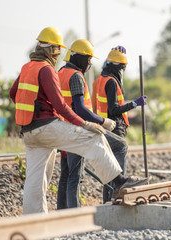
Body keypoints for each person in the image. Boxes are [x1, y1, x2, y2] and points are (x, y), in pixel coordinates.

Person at [9, 27, 148, 214]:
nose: (59, 54)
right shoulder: (47, 69)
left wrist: (31, 111)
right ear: (52, 50)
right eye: (58, 49)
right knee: (92, 137)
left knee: (36, 178)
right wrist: (85, 124)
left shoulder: (27, 68)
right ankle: (118, 181)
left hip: (28, 131)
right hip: (46, 127)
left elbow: (13, 93)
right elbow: (60, 107)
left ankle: (35, 221)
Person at [56, 39, 129, 208]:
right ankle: (118, 188)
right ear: (80, 57)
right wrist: (102, 122)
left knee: (66, 174)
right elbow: (80, 108)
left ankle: (62, 212)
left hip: (63, 129)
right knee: (76, 175)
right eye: (88, 59)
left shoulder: (60, 72)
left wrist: (114, 54)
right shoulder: (76, 76)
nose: (89, 63)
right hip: (77, 128)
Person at [92, 46, 147, 202]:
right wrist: (134, 104)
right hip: (114, 127)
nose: (123, 71)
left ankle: (108, 199)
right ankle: (117, 193)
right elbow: (114, 109)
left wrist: (113, 52)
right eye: (123, 68)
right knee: (116, 166)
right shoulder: (111, 82)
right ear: (118, 67)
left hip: (106, 126)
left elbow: (108, 63)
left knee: (110, 168)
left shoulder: (101, 78)